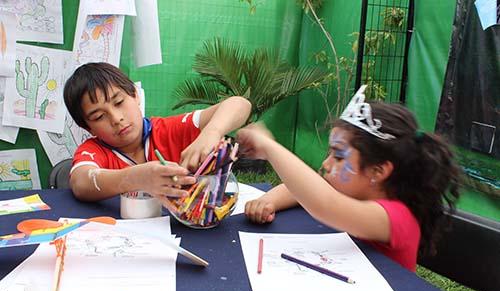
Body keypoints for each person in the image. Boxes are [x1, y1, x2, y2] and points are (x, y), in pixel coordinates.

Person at [236, 85, 461, 271]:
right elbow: (304, 187)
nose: (326, 164)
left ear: (378, 171)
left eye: (338, 156)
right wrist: (269, 201)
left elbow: (325, 204)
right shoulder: (355, 189)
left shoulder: (396, 218)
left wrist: (269, 147)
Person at [63, 62, 251, 207]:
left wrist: (212, 131)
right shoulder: (93, 150)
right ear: (88, 128)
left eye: (119, 102)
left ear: (135, 95)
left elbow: (240, 104)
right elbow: (81, 183)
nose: (116, 119)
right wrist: (135, 178)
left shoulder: (169, 130)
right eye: (99, 116)